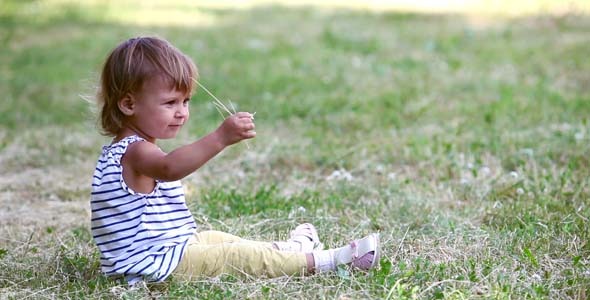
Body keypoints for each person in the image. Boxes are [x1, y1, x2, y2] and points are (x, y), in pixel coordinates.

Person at [90, 36, 380, 286]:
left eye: (186, 101)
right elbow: (170, 168)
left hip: (167, 250)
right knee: (234, 257)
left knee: (215, 239)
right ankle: (333, 261)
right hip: (151, 265)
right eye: (170, 103)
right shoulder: (136, 152)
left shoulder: (125, 150)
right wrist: (220, 138)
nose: (181, 112)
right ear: (129, 104)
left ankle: (286, 250)